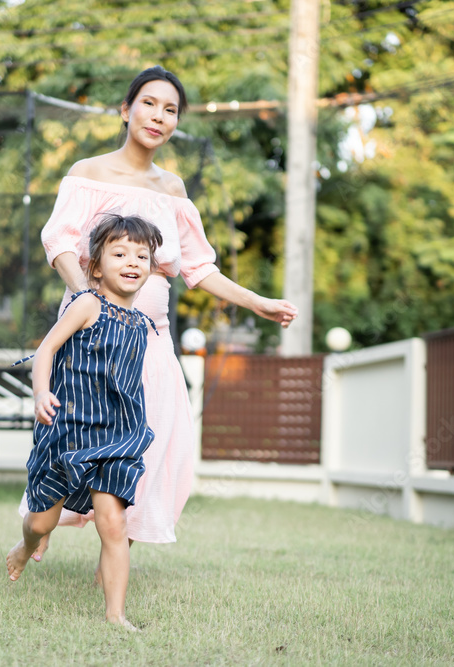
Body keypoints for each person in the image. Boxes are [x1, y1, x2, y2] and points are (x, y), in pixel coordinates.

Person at [25, 65, 298, 560]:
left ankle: (113, 565)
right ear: (126, 110)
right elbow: (59, 242)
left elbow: (199, 267)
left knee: (147, 449)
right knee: (74, 436)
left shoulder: (173, 189)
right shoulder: (89, 173)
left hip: (151, 342)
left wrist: (257, 301)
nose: (159, 116)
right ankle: (40, 525)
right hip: (91, 334)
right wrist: (90, 299)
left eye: (170, 110)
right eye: (149, 103)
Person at [6, 212, 164, 631]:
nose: (132, 262)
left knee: (113, 523)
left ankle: (115, 615)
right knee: (42, 521)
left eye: (142, 256)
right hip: (68, 432)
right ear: (95, 266)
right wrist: (42, 392)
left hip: (116, 438)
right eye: (120, 253)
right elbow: (46, 351)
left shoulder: (142, 324)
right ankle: (25, 546)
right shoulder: (87, 305)